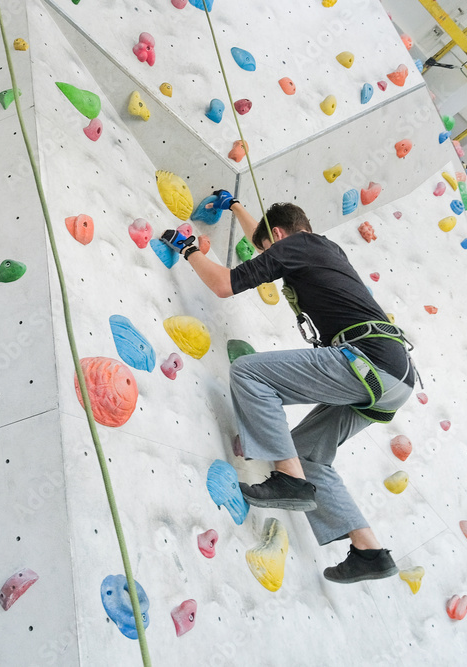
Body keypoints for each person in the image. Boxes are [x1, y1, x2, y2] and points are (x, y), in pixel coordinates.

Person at [160, 190, 418, 584]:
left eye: (268, 248)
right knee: (307, 454)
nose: (264, 257)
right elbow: (264, 239)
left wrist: (189, 248)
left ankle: (291, 480)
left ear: (282, 236)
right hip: (395, 379)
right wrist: (235, 207)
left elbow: (225, 285)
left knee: (249, 373)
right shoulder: (321, 249)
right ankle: (370, 551)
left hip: (367, 359)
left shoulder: (295, 245)